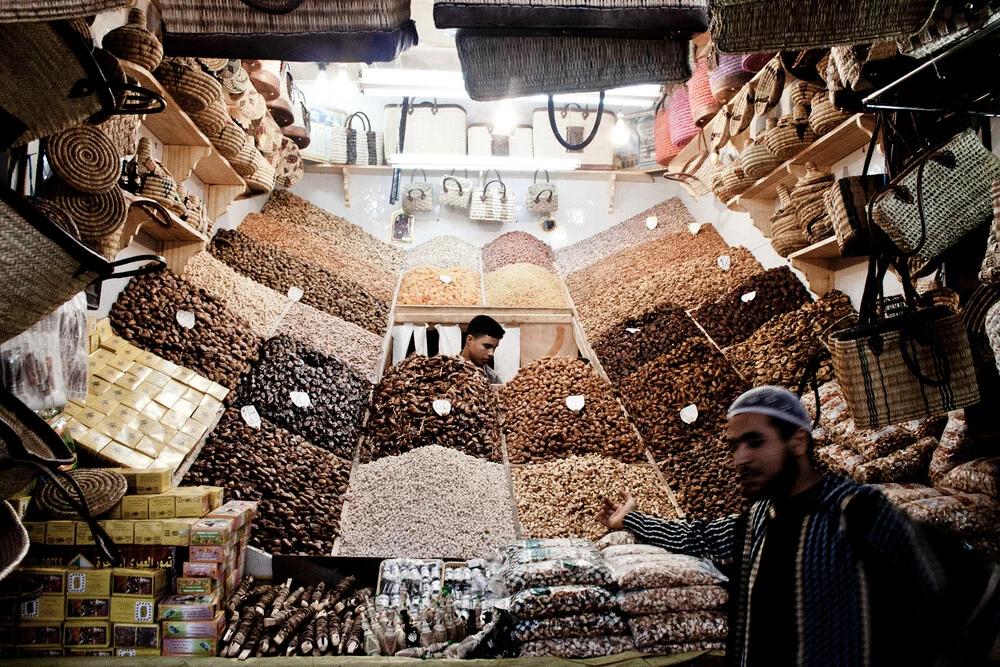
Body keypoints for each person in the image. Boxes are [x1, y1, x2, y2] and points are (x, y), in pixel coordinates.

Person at [597, 386, 974, 667]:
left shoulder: (858, 513)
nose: (740, 459)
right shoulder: (759, 517)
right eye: (733, 446)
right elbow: (697, 537)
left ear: (798, 441)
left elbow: (966, 594)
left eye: (755, 442)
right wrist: (629, 519)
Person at [460, 315, 504, 385]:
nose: (491, 353)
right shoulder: (445, 372)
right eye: (487, 346)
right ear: (469, 340)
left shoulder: (493, 379)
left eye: (494, 348)